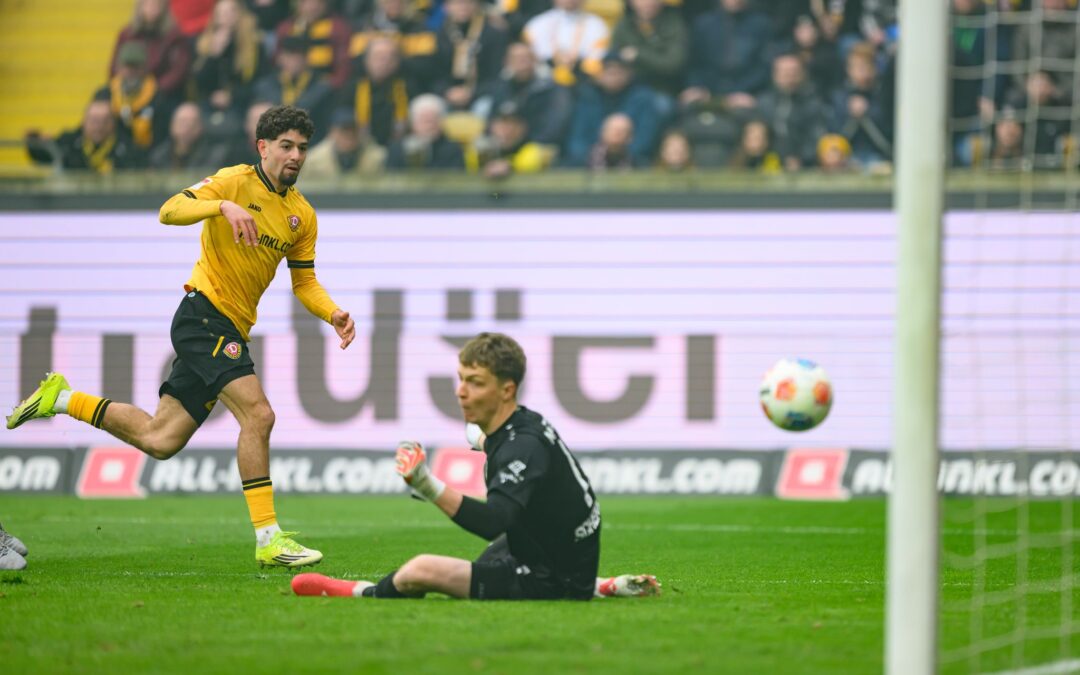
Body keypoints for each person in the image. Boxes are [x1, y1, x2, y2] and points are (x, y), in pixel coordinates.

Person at [6, 105, 356, 570]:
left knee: (160, 439)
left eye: (303, 149)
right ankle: (269, 539)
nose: (296, 156)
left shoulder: (302, 215)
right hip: (203, 317)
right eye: (287, 146)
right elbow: (169, 210)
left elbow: (303, 283)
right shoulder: (233, 182)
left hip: (229, 326)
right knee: (260, 414)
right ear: (263, 147)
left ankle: (62, 397)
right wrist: (221, 206)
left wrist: (332, 312)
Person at [292, 332, 658, 600]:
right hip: (556, 550)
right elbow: (487, 439)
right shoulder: (520, 423)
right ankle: (602, 585)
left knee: (420, 570)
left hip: (550, 578)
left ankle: (360, 593)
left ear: (507, 390)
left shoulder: (522, 448)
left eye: (476, 383)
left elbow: (494, 522)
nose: (461, 391)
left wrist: (425, 484)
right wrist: (476, 435)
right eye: (461, 379)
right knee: (488, 562)